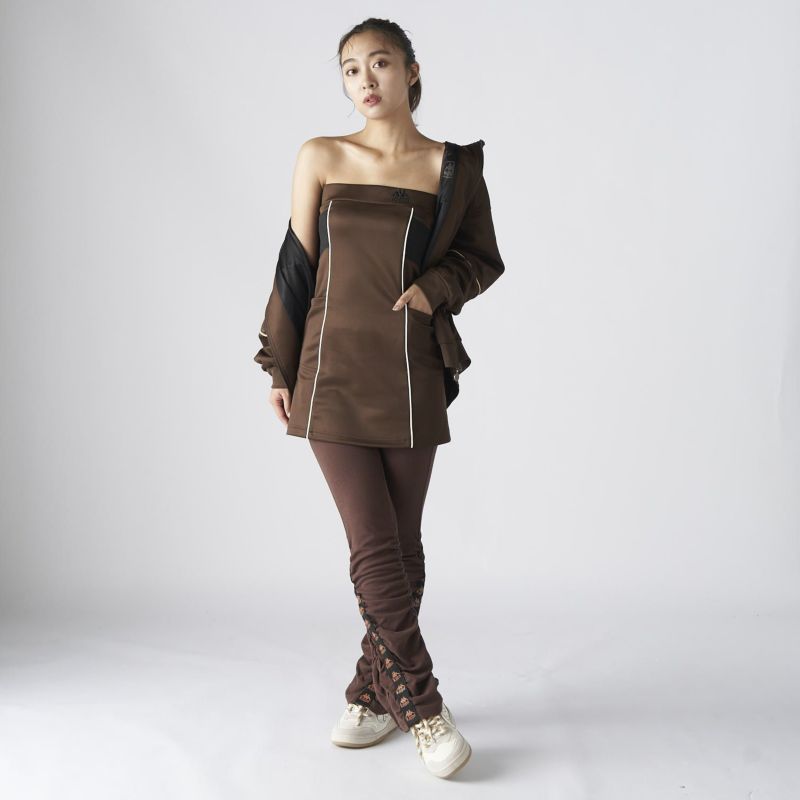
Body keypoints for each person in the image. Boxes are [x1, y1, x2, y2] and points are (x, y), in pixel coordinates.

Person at [253, 17, 505, 779]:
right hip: (328, 370)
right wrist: (278, 366)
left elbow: (482, 258)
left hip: (410, 370)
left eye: (381, 63)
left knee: (401, 546)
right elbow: (296, 266)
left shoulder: (451, 168)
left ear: (411, 71)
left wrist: (434, 287)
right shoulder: (321, 155)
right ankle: (423, 708)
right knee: (372, 546)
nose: (365, 80)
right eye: (350, 68)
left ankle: (370, 694)